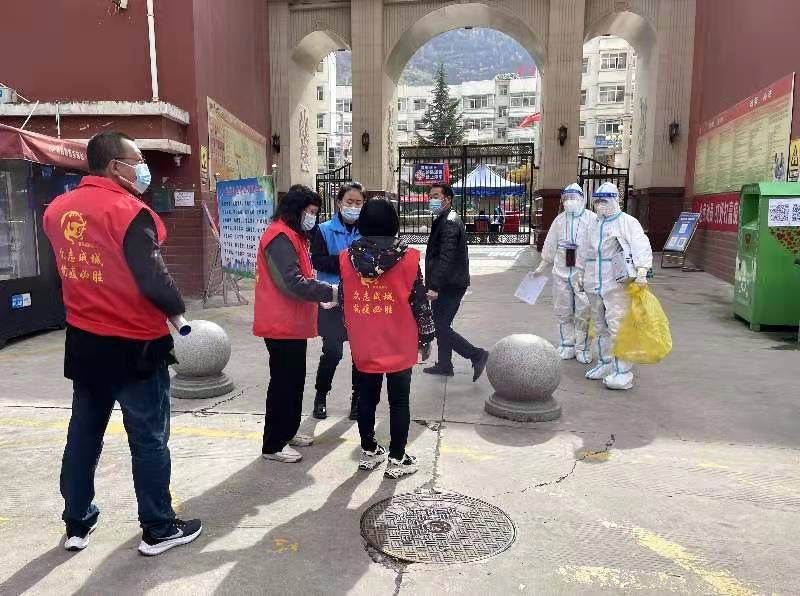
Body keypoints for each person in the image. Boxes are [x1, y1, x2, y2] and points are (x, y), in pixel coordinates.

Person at [42, 131, 201, 556]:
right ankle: (158, 526)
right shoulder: (129, 211)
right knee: (148, 438)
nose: (143, 168)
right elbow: (153, 277)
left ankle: (77, 522)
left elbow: (62, 272)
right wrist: (177, 311)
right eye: (138, 159)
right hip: (135, 346)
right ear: (116, 165)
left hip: (84, 341)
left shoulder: (56, 210)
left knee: (83, 434)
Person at [328, 197, 435, 478]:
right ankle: (398, 458)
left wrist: (351, 331)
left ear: (363, 223)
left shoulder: (346, 258)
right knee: (399, 401)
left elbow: (345, 301)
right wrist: (426, 337)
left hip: (365, 341)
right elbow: (419, 303)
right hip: (400, 340)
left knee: (366, 398)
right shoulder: (408, 258)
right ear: (393, 223)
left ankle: (369, 450)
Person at [253, 185, 336, 463]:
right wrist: (330, 292)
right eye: (310, 211)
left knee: (294, 380)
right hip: (280, 324)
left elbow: (302, 276)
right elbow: (292, 282)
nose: (312, 217)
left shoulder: (294, 235)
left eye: (315, 212)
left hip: (292, 323)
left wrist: (320, 297)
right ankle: (273, 444)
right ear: (295, 209)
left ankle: (288, 431)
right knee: (283, 383)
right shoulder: (279, 236)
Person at [577, 182, 653, 390]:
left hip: (617, 283)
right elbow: (584, 250)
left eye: (604, 201)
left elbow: (640, 245)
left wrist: (642, 270)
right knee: (600, 325)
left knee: (618, 324)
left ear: (614, 200)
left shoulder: (627, 222)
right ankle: (606, 363)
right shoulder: (594, 224)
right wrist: (580, 272)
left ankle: (623, 372)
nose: (600, 205)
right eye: (597, 201)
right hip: (594, 282)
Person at [310, 182, 365, 420]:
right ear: (339, 203)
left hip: (360, 302)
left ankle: (357, 400)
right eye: (349, 201)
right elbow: (318, 261)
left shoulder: (367, 230)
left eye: (358, 202)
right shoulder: (323, 230)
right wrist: (351, 261)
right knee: (332, 353)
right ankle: (321, 396)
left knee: (360, 355)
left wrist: (344, 262)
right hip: (331, 301)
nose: (353, 206)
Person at [423, 183, 488, 381]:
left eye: (436, 196)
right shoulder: (444, 218)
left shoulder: (449, 222)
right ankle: (445, 365)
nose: (432, 200)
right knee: (440, 324)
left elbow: (446, 257)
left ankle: (476, 354)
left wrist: (435, 286)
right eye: (430, 196)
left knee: (440, 327)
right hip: (447, 282)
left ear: (448, 199)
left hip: (450, 285)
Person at [534, 183, 596, 363]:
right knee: (563, 309)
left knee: (584, 311)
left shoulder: (592, 219)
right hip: (561, 272)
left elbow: (599, 246)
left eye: (573, 198)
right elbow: (550, 243)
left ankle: (582, 347)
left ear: (582, 199)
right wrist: (543, 264)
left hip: (583, 273)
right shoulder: (559, 220)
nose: (569, 202)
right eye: (566, 199)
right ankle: (567, 344)